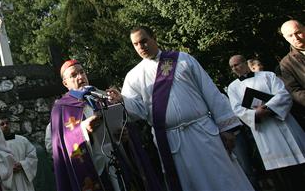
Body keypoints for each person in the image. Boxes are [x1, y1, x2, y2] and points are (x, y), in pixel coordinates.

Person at [108, 26, 254, 191]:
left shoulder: (182, 59)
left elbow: (210, 92)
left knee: (224, 179)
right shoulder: (133, 76)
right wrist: (122, 100)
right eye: (136, 44)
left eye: (144, 41)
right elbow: (138, 112)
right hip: (171, 141)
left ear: (154, 37)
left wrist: (226, 127)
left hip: (204, 132)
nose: (141, 47)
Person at [227, 54, 305, 191]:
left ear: (246, 63)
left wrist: (269, 108)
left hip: (284, 122)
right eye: (232, 67)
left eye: (237, 64)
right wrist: (255, 114)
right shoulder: (233, 87)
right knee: (283, 176)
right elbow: (236, 110)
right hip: (265, 131)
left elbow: (283, 94)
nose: (235, 68)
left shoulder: (267, 76)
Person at [46, 59, 116, 191]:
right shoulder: (60, 109)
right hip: (91, 168)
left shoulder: (102, 96)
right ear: (65, 83)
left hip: (114, 162)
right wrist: (83, 130)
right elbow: (52, 145)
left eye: (82, 72)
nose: (80, 77)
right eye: (73, 75)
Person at [0, 118, 38, 191]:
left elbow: (32, 156)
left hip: (22, 178)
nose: (5, 125)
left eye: (7, 123)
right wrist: (8, 168)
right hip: (7, 181)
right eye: (2, 124)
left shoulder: (22, 140)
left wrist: (22, 164)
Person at [279, 19, 305, 130]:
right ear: (285, 38)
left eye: (298, 32)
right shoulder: (286, 64)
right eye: (290, 36)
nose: (295, 38)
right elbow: (294, 91)